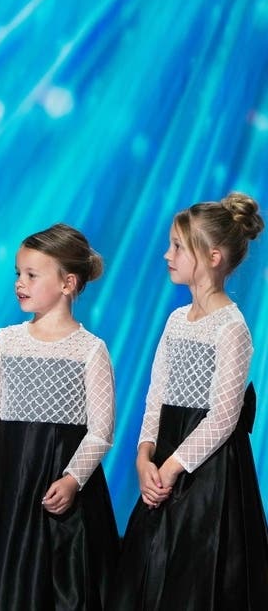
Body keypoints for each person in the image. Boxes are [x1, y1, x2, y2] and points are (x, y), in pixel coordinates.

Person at [0, 223, 120, 611]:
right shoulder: (5, 341)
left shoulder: (90, 350)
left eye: (32, 275)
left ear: (68, 283)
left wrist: (72, 479)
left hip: (60, 485)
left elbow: (100, 431)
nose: (20, 282)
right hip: (7, 482)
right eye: (18, 273)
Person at [108, 192, 268, 610]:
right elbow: (156, 396)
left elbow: (222, 417)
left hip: (206, 474)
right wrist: (145, 458)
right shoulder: (176, 319)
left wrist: (171, 468)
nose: (167, 254)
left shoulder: (232, 328)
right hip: (163, 465)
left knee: (195, 579)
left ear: (213, 256)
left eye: (178, 246)